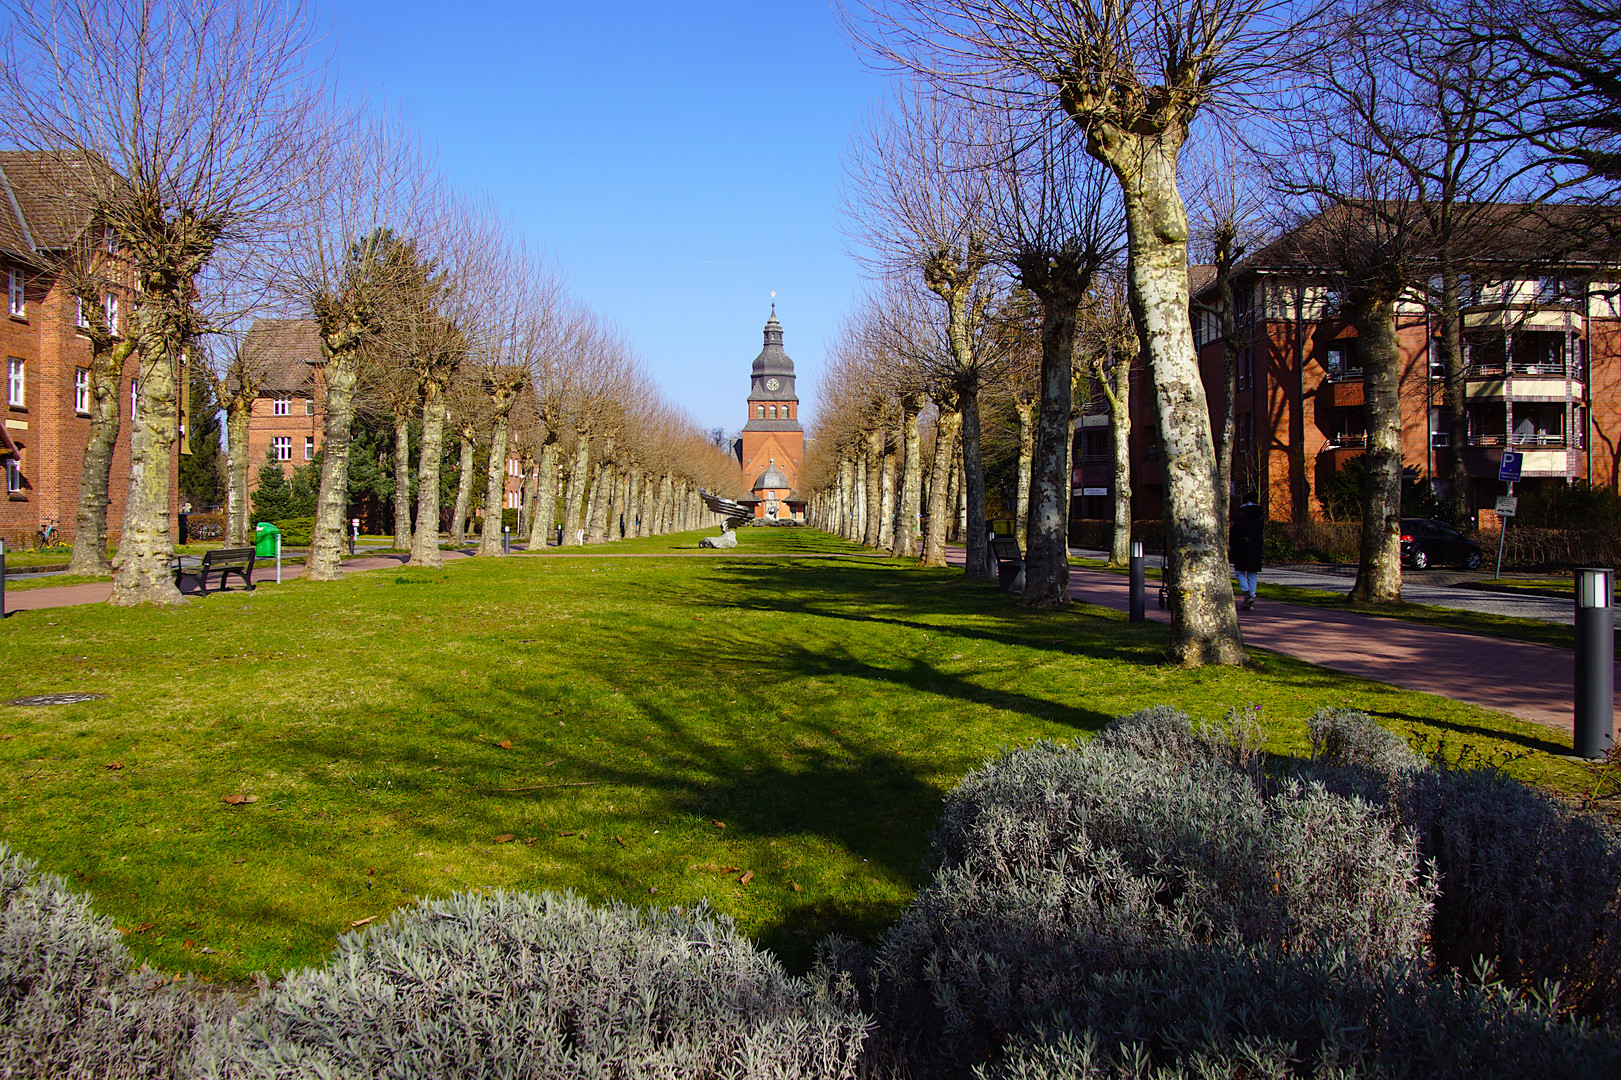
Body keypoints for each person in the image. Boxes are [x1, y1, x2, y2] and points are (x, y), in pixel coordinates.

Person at [1229, 491, 1264, 611]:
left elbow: (1235, 531)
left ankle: (1246, 592)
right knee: (1252, 572)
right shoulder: (1260, 513)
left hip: (1242, 545)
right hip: (1256, 545)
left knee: (1239, 571)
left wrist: (1232, 544)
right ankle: (1252, 596)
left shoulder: (1240, 513)